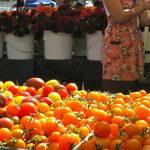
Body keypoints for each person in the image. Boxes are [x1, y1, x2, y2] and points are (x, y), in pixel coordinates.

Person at [101, 0, 150, 94]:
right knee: (116, 88)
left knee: (134, 89)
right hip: (117, 42)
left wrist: (144, 7)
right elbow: (119, 17)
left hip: (134, 43)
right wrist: (143, 6)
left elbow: (144, 21)